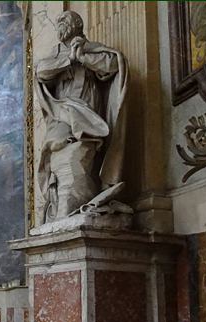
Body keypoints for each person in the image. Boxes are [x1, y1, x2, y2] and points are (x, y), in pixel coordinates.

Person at [35, 10, 128, 222]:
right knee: (55, 152)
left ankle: (71, 210)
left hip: (88, 114)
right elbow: (41, 71)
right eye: (58, 21)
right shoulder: (56, 52)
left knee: (78, 157)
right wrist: (68, 60)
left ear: (77, 23)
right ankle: (61, 209)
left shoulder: (91, 48)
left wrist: (84, 58)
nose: (59, 24)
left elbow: (113, 64)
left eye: (64, 20)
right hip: (63, 112)